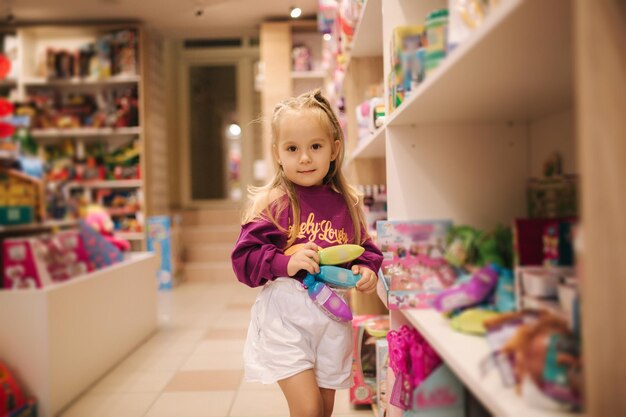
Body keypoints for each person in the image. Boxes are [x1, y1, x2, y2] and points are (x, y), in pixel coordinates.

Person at [231, 89, 384, 417]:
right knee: (309, 409)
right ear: (278, 153)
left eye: (315, 146)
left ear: (334, 149)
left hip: (332, 318)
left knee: (324, 411)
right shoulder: (275, 204)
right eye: (292, 148)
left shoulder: (348, 203)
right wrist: (285, 262)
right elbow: (243, 261)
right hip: (286, 320)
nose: (304, 158)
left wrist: (368, 268)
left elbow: (365, 248)